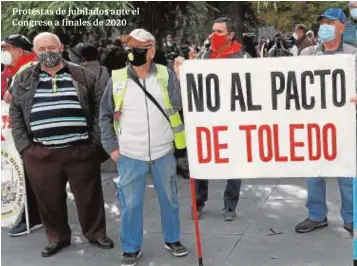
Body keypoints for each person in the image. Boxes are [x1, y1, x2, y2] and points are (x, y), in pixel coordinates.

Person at [9, 32, 113, 257]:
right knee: (49, 200)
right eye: (42, 49)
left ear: (62, 48)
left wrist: (94, 145)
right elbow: (15, 112)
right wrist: (26, 148)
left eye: (51, 47)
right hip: (40, 153)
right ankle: (57, 238)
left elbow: (99, 111)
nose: (47, 52)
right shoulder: (24, 78)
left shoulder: (83, 76)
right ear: (35, 52)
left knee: (90, 196)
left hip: (80, 150)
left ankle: (96, 233)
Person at [99, 28, 188, 266]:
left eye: (138, 48)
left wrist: (180, 78)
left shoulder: (165, 75)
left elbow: (179, 105)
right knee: (130, 204)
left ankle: (173, 239)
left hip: (163, 151)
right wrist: (112, 148)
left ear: (151, 51)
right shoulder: (117, 79)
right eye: (130, 48)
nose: (132, 52)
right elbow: (105, 115)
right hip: (129, 154)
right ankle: (131, 247)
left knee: (170, 199)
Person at [295, 8, 355, 234]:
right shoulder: (308, 54)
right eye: (323, 22)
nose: (325, 26)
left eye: (330, 22)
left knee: (347, 174)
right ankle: (316, 215)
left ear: (342, 26)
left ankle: (351, 218)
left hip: (344, 125)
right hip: (314, 125)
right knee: (314, 173)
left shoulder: (352, 54)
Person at [194, 17, 245, 221]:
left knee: (234, 162)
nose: (214, 35)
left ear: (231, 35)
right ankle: (198, 201)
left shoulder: (243, 58)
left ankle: (230, 206)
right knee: (202, 160)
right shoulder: (204, 56)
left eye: (220, 32)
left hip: (233, 119)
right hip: (207, 118)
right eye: (213, 31)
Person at [1, 34, 43, 237]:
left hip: (32, 133)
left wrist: (11, 91)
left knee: (32, 176)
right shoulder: (10, 71)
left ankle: (34, 217)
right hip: (13, 132)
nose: (3, 53)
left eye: (6, 48)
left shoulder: (31, 68)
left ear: (19, 51)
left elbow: (15, 98)